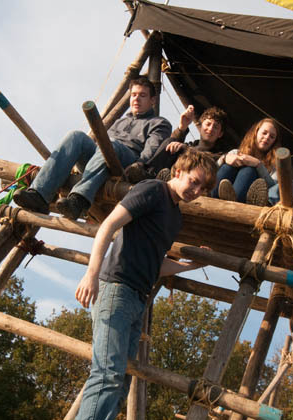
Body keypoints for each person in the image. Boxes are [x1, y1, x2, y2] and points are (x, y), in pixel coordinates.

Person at [74, 148, 218, 420]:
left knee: (120, 384)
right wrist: (91, 274)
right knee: (107, 375)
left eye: (203, 188)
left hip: (138, 299)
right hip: (116, 288)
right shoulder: (152, 190)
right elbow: (109, 225)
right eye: (194, 181)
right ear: (178, 171)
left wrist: (192, 266)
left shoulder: (175, 217)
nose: (197, 191)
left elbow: (157, 265)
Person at [13, 76, 171, 220]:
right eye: (134, 95)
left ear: (152, 100)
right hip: (102, 158)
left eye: (142, 95)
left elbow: (151, 152)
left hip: (127, 164)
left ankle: (79, 200)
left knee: (110, 145)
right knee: (76, 136)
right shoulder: (120, 121)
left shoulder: (159, 123)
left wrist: (139, 167)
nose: (136, 99)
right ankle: (39, 194)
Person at [124, 105, 228, 182]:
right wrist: (182, 127)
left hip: (191, 182)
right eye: (208, 124)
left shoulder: (219, 154)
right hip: (169, 174)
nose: (210, 129)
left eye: (215, 127)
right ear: (200, 126)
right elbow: (172, 142)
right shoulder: (191, 145)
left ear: (220, 134)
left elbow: (211, 159)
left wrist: (187, 150)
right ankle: (147, 173)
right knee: (170, 142)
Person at [210, 118, 280, 204]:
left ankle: (233, 201)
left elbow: (274, 188)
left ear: (274, 142)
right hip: (215, 195)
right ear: (256, 133)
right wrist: (224, 158)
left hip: (242, 202)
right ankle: (212, 197)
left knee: (249, 170)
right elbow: (212, 173)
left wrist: (258, 165)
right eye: (264, 133)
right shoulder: (236, 152)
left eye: (272, 137)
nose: (267, 137)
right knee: (227, 167)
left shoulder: (274, 164)